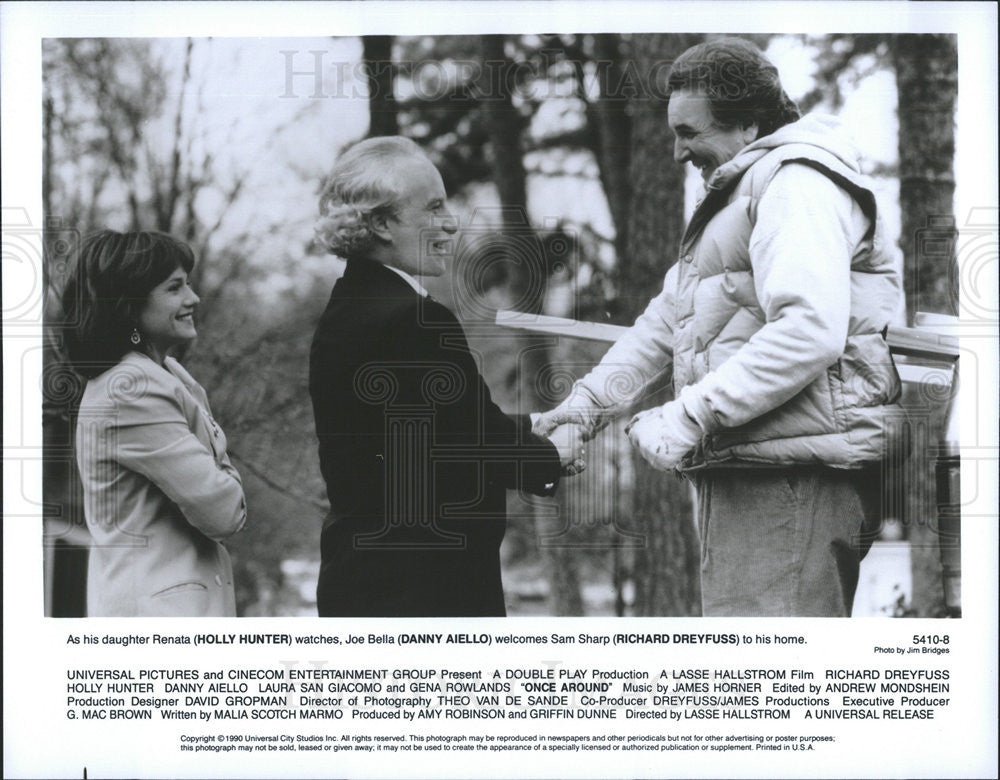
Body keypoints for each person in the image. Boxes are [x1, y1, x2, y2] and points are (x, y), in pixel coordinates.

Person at [534, 38, 903, 617]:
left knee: (769, 694)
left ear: (748, 122)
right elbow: (663, 321)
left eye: (689, 132)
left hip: (791, 482)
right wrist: (584, 408)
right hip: (759, 472)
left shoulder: (796, 185)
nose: (679, 152)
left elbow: (809, 328)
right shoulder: (747, 194)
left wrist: (687, 415)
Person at [310, 136, 583, 617]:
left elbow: (439, 431)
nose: (450, 223)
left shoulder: (348, 308)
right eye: (433, 208)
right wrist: (553, 454)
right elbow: (472, 444)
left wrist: (532, 425)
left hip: (362, 582)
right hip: (426, 593)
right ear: (381, 223)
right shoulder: (415, 319)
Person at [61, 230, 246, 616]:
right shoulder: (133, 390)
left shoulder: (159, 377)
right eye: (174, 288)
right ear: (129, 306)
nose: (193, 299)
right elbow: (225, 512)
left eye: (189, 284)